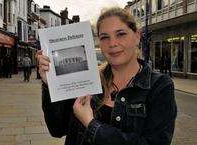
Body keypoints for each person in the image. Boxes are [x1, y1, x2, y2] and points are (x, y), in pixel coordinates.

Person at [37, 7, 177, 145]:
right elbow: (57, 129)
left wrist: (91, 125)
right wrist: (50, 84)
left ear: (137, 36)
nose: (112, 44)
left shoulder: (159, 86)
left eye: (120, 34)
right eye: (105, 37)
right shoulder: (86, 80)